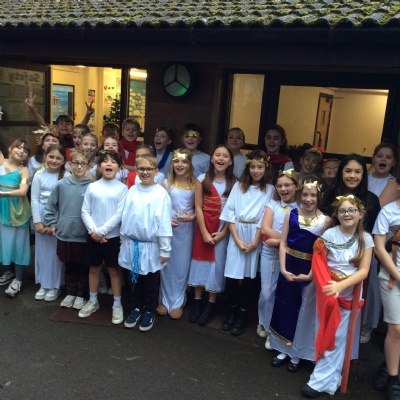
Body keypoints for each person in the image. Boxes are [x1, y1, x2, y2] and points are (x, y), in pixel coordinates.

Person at [302, 195, 373, 398]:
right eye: (342, 211)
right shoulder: (329, 234)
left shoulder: (365, 239)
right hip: (327, 292)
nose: (347, 214)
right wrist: (327, 285)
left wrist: (340, 285)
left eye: (351, 210)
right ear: (337, 215)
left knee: (337, 337)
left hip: (347, 294)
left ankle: (319, 381)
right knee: (325, 332)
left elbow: (364, 271)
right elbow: (319, 262)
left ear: (361, 214)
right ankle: (331, 379)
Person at [269, 177, 331, 372]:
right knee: (285, 305)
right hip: (289, 265)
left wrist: (311, 274)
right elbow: (283, 243)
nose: (308, 199)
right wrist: (283, 268)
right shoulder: (291, 214)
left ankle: (297, 352)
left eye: (313, 195)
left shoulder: (325, 221)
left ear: (319, 197)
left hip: (309, 270)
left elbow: (322, 252)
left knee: (305, 310)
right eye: (305, 194)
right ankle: (283, 348)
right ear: (299, 195)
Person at [220, 149, 275, 335]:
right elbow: (230, 212)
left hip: (255, 235)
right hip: (237, 232)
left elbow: (265, 216)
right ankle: (232, 310)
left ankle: (243, 314)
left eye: (260, 167)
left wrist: (254, 243)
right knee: (232, 277)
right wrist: (236, 239)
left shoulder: (270, 189)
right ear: (247, 167)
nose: (256, 171)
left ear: (266, 168)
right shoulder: (238, 186)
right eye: (253, 167)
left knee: (249, 279)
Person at [119, 154, 173, 332]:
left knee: (150, 280)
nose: (145, 172)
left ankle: (149, 310)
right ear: (136, 170)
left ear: (156, 171)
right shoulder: (133, 190)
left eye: (149, 169)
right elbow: (126, 216)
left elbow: (164, 222)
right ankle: (136, 307)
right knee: (133, 280)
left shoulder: (161, 194)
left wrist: (165, 249)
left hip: (151, 246)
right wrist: (123, 240)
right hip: (132, 244)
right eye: (141, 168)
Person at [187, 145, 236, 325]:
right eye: (217, 155)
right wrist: (204, 232)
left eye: (225, 156)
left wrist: (223, 233)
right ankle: (197, 302)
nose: (221, 159)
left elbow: (234, 212)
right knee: (200, 263)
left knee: (216, 265)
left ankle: (211, 304)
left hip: (222, 229)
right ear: (212, 159)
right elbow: (198, 207)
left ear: (230, 161)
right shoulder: (202, 179)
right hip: (203, 228)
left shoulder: (235, 183)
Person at [80, 151, 128, 324]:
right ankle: (93, 301)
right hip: (93, 236)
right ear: (99, 167)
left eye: (113, 162)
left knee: (114, 270)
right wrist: (94, 231)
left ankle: (117, 304)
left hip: (112, 237)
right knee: (94, 268)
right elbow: (85, 210)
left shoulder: (122, 189)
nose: (109, 164)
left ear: (119, 168)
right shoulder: (92, 187)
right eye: (105, 161)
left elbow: (119, 214)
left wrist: (101, 232)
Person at [43, 150, 92, 310]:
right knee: (69, 265)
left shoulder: (92, 186)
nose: (79, 167)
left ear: (89, 166)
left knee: (83, 267)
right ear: (69, 164)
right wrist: (52, 223)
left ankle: (81, 295)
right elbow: (49, 207)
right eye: (76, 163)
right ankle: (70, 293)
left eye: (83, 163)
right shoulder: (61, 185)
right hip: (65, 233)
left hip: (84, 235)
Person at [258, 169, 299, 348]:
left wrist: (280, 242)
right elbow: (265, 228)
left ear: (297, 186)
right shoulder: (273, 205)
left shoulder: (301, 207)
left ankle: (273, 331)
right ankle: (263, 322)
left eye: (287, 185)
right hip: (271, 253)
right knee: (267, 292)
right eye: (280, 185)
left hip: (292, 255)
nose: (283, 189)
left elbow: (302, 234)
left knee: (282, 295)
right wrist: (285, 240)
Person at [361, 142, 398, 344]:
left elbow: (374, 208)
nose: (383, 159)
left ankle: (368, 324)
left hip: (377, 236)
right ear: (373, 158)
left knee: (372, 284)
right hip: (357, 231)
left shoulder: (392, 183)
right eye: (380, 155)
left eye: (388, 157)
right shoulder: (363, 177)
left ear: (394, 162)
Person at [157, 149, 196, 319]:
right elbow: (160, 207)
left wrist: (191, 217)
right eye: (176, 161)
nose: (180, 165)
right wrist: (167, 220)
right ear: (172, 164)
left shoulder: (196, 184)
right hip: (169, 227)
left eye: (184, 162)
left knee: (181, 264)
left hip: (186, 229)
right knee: (167, 262)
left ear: (190, 164)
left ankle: (177, 301)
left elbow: (199, 208)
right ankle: (164, 300)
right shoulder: (166, 183)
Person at [372, 178, 400, 400]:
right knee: (397, 329)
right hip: (392, 276)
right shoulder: (388, 212)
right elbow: (379, 249)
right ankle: (393, 379)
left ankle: (388, 365)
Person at [31, 145, 68, 302]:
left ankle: (55, 285)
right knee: (43, 251)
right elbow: (34, 198)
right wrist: (37, 221)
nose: (54, 160)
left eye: (58, 158)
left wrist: (58, 223)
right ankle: (44, 283)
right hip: (41, 213)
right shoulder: (39, 174)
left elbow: (66, 201)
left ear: (64, 161)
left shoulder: (66, 176)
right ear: (45, 157)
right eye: (51, 156)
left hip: (58, 216)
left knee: (56, 253)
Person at [0, 140, 31, 297]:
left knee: (18, 245)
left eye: (25, 150)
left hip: (17, 211)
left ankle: (18, 279)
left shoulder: (24, 170)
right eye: (18, 147)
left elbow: (23, 191)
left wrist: (2, 193)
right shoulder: (1, 163)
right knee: (5, 242)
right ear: (10, 148)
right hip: (1, 209)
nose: (21, 151)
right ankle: (10, 271)